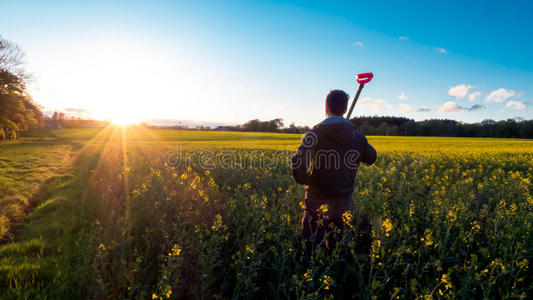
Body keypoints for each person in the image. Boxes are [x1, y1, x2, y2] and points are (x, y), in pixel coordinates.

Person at [291, 89, 377, 263]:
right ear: (345, 110)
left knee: (311, 248)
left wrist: (306, 180)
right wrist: (357, 141)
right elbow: (371, 158)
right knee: (341, 248)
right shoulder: (358, 136)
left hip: (317, 199)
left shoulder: (314, 134)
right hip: (344, 201)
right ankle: (341, 283)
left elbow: (298, 162)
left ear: (326, 107)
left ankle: (310, 283)